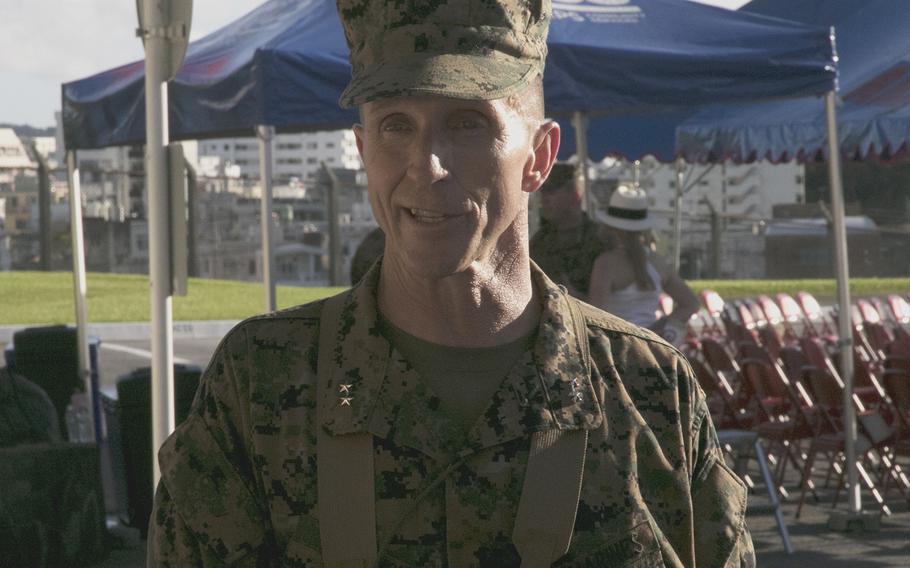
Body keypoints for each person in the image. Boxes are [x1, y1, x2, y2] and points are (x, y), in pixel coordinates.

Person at [149, 2, 754, 566]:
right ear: (363, 150)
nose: (426, 164)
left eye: (467, 122)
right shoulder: (261, 383)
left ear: (539, 157)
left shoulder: (649, 393)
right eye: (394, 126)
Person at [589, 184, 701, 342]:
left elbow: (596, 315)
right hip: (651, 347)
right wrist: (661, 326)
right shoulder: (657, 262)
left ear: (610, 227)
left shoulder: (606, 263)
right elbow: (691, 303)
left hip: (619, 348)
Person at [529, 162, 605, 301]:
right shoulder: (539, 242)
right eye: (542, 191)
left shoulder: (600, 239)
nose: (544, 199)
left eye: (551, 191)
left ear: (575, 194)